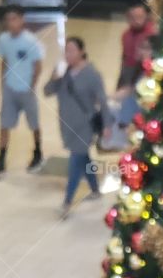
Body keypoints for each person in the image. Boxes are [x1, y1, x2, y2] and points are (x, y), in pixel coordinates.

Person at [44, 37, 112, 219]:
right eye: (66, 51)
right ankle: (95, 190)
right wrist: (54, 79)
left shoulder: (92, 74)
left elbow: (103, 101)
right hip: (67, 124)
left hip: (84, 126)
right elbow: (47, 91)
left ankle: (67, 202)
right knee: (83, 158)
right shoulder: (62, 71)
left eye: (72, 50)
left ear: (82, 52)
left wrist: (107, 125)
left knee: (75, 161)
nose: (69, 54)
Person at [0, 7, 45, 177]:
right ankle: (1, 159)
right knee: (4, 124)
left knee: (33, 123)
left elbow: (38, 66)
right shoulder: (3, 39)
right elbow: (4, 60)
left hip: (26, 90)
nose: (10, 23)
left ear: (22, 20)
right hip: (10, 89)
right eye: (8, 19)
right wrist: (2, 83)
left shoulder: (30, 41)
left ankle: (37, 152)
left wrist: (32, 85)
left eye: (14, 19)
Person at [117, 2, 156, 90]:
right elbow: (124, 58)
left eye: (140, 17)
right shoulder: (125, 35)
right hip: (128, 72)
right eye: (133, 18)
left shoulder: (153, 34)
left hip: (146, 74)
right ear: (128, 18)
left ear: (146, 16)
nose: (137, 21)